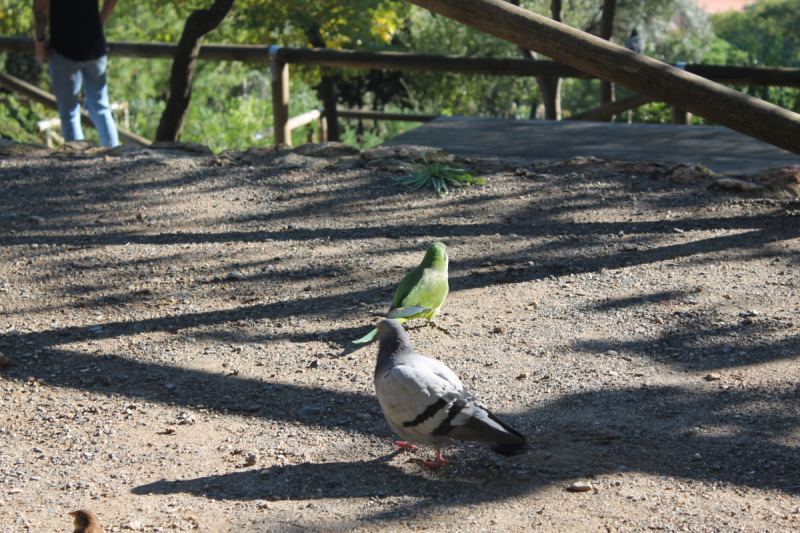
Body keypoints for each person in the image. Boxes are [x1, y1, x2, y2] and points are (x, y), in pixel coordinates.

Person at [33, 0, 120, 147]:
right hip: (95, 45)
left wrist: (40, 39)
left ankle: (78, 161)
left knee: (69, 113)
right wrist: (101, 20)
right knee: (101, 108)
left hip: (63, 47)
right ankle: (116, 157)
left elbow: (41, 3)